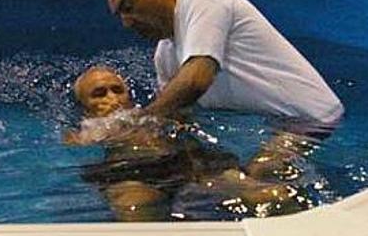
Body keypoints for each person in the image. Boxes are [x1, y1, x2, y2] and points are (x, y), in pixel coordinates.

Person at [106, 0, 343, 124]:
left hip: (313, 122)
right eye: (120, 16)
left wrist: (137, 121)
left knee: (257, 182)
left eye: (129, 7)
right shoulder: (165, 56)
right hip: (270, 128)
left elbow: (196, 80)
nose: (127, 22)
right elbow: (175, 118)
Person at [63, 66, 302, 221]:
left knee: (272, 195)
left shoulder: (152, 113)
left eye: (117, 90)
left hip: (187, 166)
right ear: (85, 107)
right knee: (137, 211)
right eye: (99, 94)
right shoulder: (86, 130)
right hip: (129, 175)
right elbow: (76, 148)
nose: (113, 98)